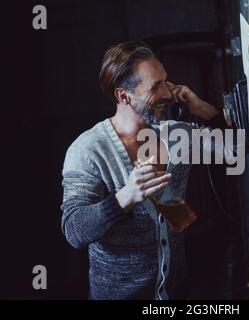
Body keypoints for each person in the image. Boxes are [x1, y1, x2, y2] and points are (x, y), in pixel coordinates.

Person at [60, 41, 225, 300]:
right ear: (123, 96)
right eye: (155, 86)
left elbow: (236, 148)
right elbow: (74, 230)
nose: (168, 94)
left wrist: (201, 107)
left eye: (166, 82)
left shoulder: (176, 134)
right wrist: (126, 196)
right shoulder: (88, 150)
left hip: (175, 292)